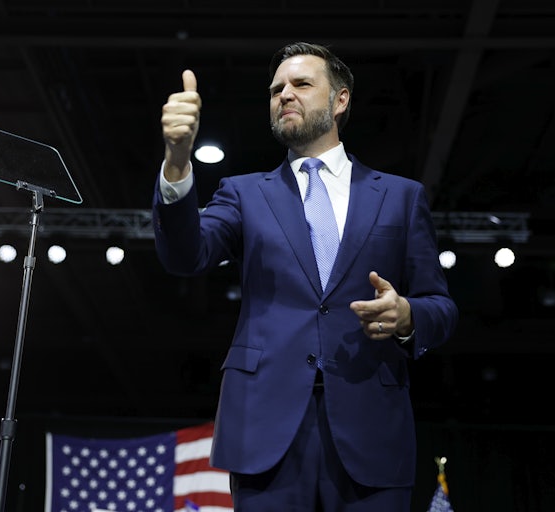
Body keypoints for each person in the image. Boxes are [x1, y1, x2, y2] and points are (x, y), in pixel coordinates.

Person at [152, 42, 458, 511]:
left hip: (370, 428)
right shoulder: (244, 193)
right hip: (264, 428)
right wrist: (176, 161)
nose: (285, 95)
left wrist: (407, 315)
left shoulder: (401, 197)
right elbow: (185, 255)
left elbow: (441, 307)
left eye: (300, 84)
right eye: (276, 89)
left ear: (340, 100)